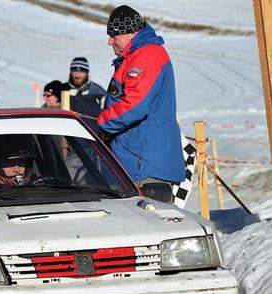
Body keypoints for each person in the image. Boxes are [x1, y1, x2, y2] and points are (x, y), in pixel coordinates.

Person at [97, 5, 184, 187]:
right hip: (135, 159)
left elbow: (135, 106)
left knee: (148, 215)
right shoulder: (136, 56)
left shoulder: (146, 56)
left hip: (145, 164)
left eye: (114, 35)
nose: (110, 41)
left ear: (130, 33)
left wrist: (103, 125)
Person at [66, 57, 105, 132]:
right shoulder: (64, 91)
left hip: (91, 137)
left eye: (81, 71)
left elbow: (108, 116)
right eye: (74, 71)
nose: (77, 75)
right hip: (68, 135)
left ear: (87, 73)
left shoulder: (99, 93)